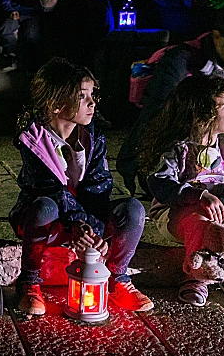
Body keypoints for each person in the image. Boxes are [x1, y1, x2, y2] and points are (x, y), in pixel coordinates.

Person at [10, 57, 152, 315]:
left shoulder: (92, 136)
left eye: (91, 94)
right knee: (44, 206)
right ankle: (29, 280)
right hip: (50, 222)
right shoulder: (33, 140)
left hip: (83, 222)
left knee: (132, 209)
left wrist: (93, 232)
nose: (92, 102)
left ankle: (117, 278)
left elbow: (99, 186)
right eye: (81, 96)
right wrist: (78, 225)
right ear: (54, 105)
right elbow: (50, 189)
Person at [117, 3, 224, 195]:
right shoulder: (181, 62)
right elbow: (154, 120)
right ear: (218, 38)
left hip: (219, 160)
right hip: (174, 165)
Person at [142, 74, 224, 307]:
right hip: (176, 213)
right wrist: (199, 196)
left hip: (222, 211)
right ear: (202, 114)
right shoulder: (178, 149)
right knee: (199, 222)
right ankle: (197, 275)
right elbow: (160, 181)